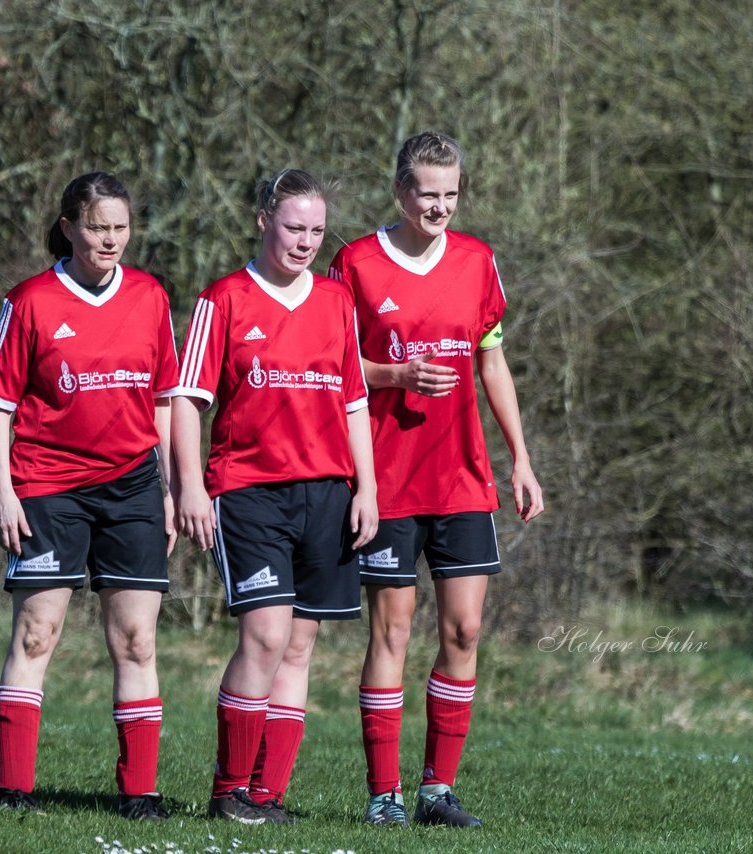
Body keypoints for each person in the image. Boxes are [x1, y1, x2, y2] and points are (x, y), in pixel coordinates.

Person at [328, 131, 545, 829]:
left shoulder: (478, 262)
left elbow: (492, 363)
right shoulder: (356, 263)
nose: (440, 206)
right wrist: (394, 375)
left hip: (461, 477)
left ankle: (435, 792)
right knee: (390, 632)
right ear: (400, 191)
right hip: (385, 479)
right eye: (428, 193)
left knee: (465, 629)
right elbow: (326, 366)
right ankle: (383, 796)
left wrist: (522, 457)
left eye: (451, 194)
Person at [171, 168, 378, 825]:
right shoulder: (222, 300)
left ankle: (269, 796)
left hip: (327, 492)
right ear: (263, 220)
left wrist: (366, 487)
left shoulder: (336, 301)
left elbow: (352, 400)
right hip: (249, 491)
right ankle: (229, 791)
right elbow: (186, 402)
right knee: (263, 634)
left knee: (299, 645)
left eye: (317, 231)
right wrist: (189, 488)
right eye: (294, 227)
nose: (305, 242)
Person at [0, 171, 179, 821]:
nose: (110, 240)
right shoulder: (31, 301)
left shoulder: (150, 297)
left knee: (137, 641)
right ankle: (12, 791)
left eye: (120, 227)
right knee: (38, 632)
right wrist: (4, 492)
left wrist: (171, 489)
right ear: (68, 228)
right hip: (46, 486)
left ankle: (139, 794)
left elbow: (167, 400)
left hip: (132, 487)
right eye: (97, 227)